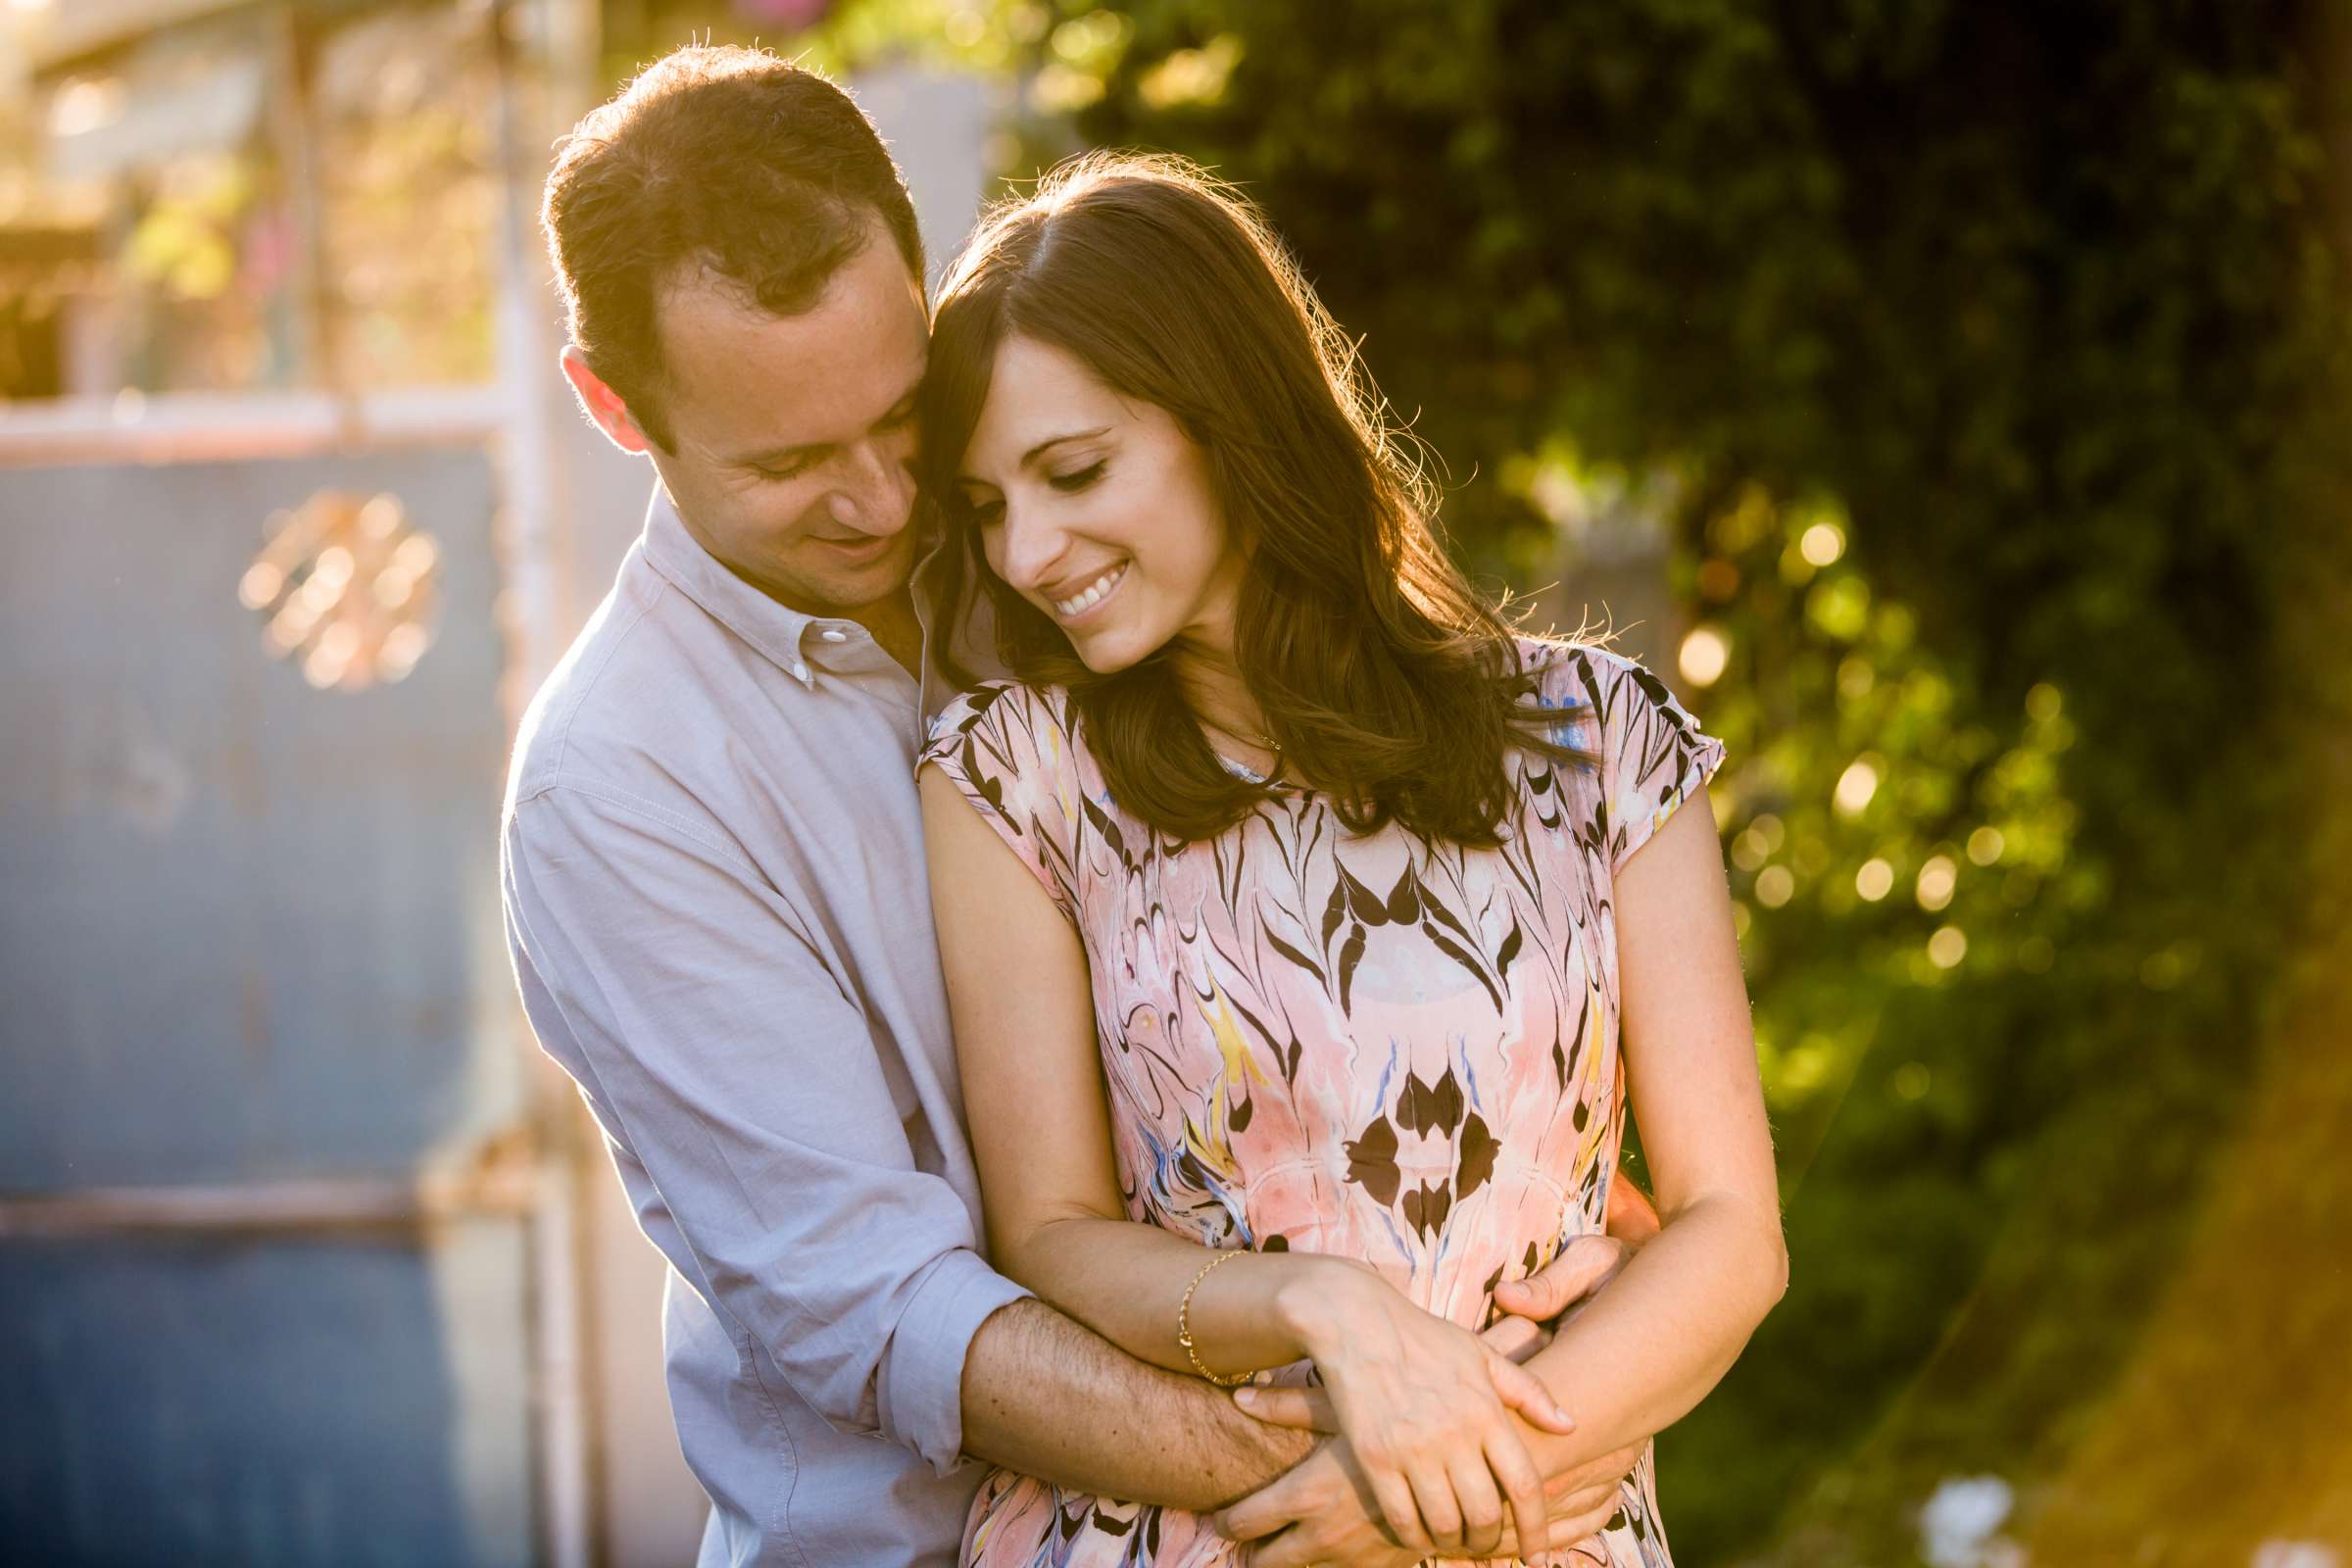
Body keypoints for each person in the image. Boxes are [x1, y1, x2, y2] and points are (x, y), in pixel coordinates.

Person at [503, 46, 1654, 1567]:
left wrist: (1550, 1300)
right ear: (613, 405)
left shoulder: (1075, 570)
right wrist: (1403, 1473)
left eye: (900, 417)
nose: (882, 500)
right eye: (788, 462)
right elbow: (883, 1309)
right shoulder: (622, 792)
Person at [914, 154, 1788, 1568]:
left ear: (1232, 419)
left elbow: (1730, 1231)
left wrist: (1439, 1493)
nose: (1027, 550)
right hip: (1190, 1540)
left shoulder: (1598, 740)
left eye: (1074, 472)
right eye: (986, 506)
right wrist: (1332, 1310)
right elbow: (1053, 1231)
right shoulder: (1016, 778)